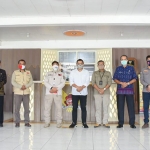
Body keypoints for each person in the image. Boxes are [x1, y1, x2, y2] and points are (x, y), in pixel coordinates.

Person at [113, 55, 137, 128]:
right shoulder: (118, 69)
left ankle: (132, 123)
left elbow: (135, 78)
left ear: (127, 60)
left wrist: (127, 83)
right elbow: (114, 78)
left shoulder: (131, 68)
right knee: (120, 107)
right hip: (120, 91)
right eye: (122, 59)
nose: (123, 60)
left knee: (131, 107)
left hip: (129, 90)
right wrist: (121, 83)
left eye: (124, 59)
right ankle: (120, 123)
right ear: (120, 60)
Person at [11, 59, 33, 127]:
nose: (22, 65)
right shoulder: (15, 72)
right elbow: (13, 82)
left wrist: (25, 86)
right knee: (17, 108)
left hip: (26, 92)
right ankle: (17, 122)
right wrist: (20, 86)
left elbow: (31, 81)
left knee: (27, 108)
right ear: (18, 65)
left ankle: (27, 122)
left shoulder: (28, 72)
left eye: (23, 64)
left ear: (25, 65)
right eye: (20, 63)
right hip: (18, 92)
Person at [69, 59, 90, 128]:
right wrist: (77, 87)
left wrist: (81, 87)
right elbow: (71, 82)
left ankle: (84, 123)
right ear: (76, 64)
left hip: (83, 93)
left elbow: (87, 81)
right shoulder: (72, 72)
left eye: (81, 63)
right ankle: (74, 122)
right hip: (75, 92)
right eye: (78, 63)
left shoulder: (86, 72)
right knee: (74, 108)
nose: (80, 64)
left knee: (83, 108)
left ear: (83, 64)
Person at [44, 61, 65, 128]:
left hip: (58, 93)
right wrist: (51, 88)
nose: (55, 66)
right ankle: (47, 122)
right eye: (54, 65)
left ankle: (59, 122)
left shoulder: (61, 74)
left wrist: (56, 88)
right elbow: (45, 82)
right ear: (52, 65)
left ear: (58, 66)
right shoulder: (48, 73)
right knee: (47, 108)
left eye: (56, 65)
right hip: (49, 93)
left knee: (59, 108)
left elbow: (63, 83)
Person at [92, 60, 112, 128]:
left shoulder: (108, 73)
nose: (101, 66)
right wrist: (99, 90)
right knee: (98, 108)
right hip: (97, 93)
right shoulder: (95, 73)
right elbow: (93, 82)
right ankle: (98, 122)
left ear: (104, 65)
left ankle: (105, 122)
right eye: (99, 64)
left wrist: (103, 89)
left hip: (106, 93)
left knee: (105, 108)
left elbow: (109, 83)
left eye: (102, 64)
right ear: (97, 66)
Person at [140, 55, 150, 129]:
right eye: (148, 60)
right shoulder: (143, 70)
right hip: (145, 91)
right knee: (145, 107)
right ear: (146, 61)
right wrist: (147, 85)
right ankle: (146, 122)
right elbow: (141, 80)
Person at [0, 60, 7, 127]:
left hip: (0, 92)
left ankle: (0, 122)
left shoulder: (3, 71)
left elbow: (5, 80)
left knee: (0, 107)